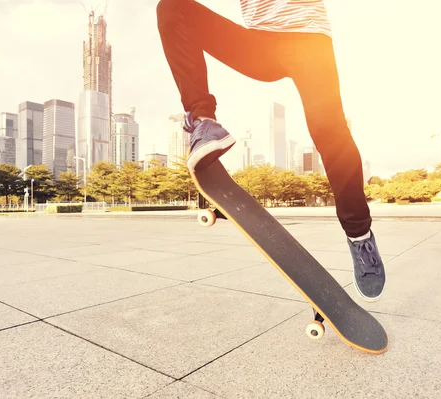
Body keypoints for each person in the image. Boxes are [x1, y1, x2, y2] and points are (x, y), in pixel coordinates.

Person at [156, 0, 386, 302]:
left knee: (329, 130)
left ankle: (359, 235)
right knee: (172, 7)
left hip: (309, 39)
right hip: (260, 44)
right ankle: (203, 120)